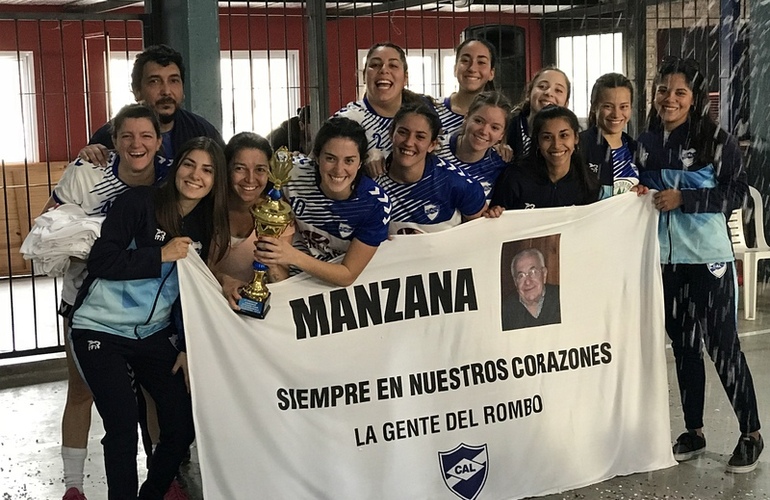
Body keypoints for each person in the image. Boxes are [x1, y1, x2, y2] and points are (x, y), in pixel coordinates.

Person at [69, 137, 230, 499]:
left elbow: (194, 294)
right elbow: (101, 262)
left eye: (207, 170)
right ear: (176, 166)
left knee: (181, 423)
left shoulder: (206, 226)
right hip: (99, 329)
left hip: (153, 335)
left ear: (216, 180)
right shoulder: (138, 203)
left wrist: (186, 346)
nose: (195, 175)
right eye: (189, 164)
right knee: (123, 424)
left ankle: (152, 493)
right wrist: (160, 254)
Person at [637, 56, 762, 473]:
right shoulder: (647, 141)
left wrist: (686, 199)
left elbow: (737, 193)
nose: (669, 99)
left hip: (709, 262)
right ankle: (694, 431)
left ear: (694, 99)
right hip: (666, 262)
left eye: (680, 92)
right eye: (663, 90)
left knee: (723, 347)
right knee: (685, 347)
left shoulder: (716, 139)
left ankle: (751, 434)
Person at [41, 104, 171, 500]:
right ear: (112, 142)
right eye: (127, 136)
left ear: (159, 141)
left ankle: (162, 482)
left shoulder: (170, 178)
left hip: (148, 308)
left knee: (153, 394)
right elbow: (47, 230)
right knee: (81, 389)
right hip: (88, 305)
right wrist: (81, 246)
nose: (137, 144)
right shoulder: (87, 174)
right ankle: (74, 487)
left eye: (146, 136)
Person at [254, 117, 390, 287]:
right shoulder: (290, 173)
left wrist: (291, 255)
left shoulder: (375, 204)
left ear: (360, 162)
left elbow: (347, 275)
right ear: (317, 157)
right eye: (331, 158)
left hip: (344, 292)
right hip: (292, 284)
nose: (339, 169)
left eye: (349, 160)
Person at [78, 44, 224, 166]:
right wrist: (87, 158)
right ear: (137, 91)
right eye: (154, 81)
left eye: (174, 81)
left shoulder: (202, 132)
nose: (166, 91)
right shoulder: (107, 137)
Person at [374, 102, 487, 234]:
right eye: (403, 132)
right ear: (391, 134)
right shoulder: (371, 177)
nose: (409, 142)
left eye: (420, 137)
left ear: (432, 145)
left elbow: (482, 232)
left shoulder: (458, 183)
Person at [209, 132, 292, 309]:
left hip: (254, 313)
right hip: (209, 307)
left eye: (260, 170)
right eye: (240, 168)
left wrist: (271, 261)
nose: (250, 179)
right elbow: (194, 263)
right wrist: (224, 280)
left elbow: (282, 280)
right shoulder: (209, 206)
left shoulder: (278, 215)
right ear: (227, 168)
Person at [334, 42, 422, 176]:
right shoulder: (346, 120)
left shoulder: (422, 118)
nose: (384, 70)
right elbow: (318, 162)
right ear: (363, 75)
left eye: (393, 65)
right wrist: (362, 157)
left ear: (405, 78)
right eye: (375, 65)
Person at [490, 105, 601, 210]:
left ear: (576, 138)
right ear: (537, 141)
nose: (556, 145)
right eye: (547, 137)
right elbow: (496, 220)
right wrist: (494, 212)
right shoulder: (515, 179)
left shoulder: (588, 182)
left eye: (564, 135)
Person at [436, 91, 512, 199]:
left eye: (494, 128)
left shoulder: (500, 163)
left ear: (501, 135)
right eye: (478, 121)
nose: (484, 131)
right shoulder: (435, 149)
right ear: (466, 118)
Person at [580, 73, 639, 197]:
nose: (616, 114)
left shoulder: (635, 149)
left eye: (623, 106)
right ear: (594, 107)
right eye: (608, 106)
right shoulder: (579, 146)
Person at [433, 38, 497, 140]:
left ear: (491, 73)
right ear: (455, 69)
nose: (472, 68)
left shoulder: (498, 120)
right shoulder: (433, 109)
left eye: (481, 62)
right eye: (465, 61)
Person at [507, 66, 571, 159]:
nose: (549, 93)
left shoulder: (570, 136)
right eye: (542, 86)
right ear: (529, 93)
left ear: (566, 103)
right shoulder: (507, 127)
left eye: (558, 90)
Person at [502, 248, 560, 330]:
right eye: (521, 276)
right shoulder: (505, 311)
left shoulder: (562, 296)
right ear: (515, 282)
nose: (528, 282)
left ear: (544, 274)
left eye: (533, 272)